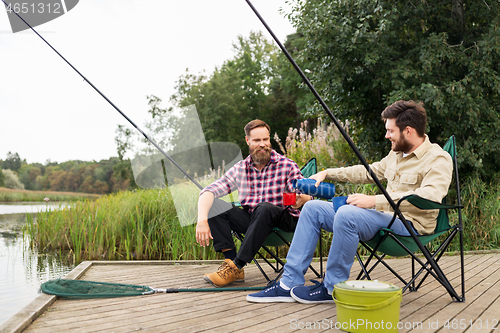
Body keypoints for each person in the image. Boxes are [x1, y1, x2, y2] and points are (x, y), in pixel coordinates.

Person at [247, 100, 453, 303]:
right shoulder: (397, 154)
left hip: (410, 227)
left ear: (408, 131)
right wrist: (327, 173)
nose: (386, 135)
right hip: (385, 219)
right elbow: (367, 172)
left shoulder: (437, 158)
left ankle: (332, 288)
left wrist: (373, 201)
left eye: (390, 131)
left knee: (347, 213)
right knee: (312, 208)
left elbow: (429, 196)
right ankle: (288, 284)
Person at [197, 119, 312, 287]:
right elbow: (208, 191)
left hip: (284, 221)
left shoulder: (287, 165)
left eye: (266, 139)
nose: (263, 144)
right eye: (257, 140)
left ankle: (237, 265)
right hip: (254, 221)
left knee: (264, 207)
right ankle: (231, 266)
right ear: (247, 141)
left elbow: (308, 195)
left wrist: (303, 199)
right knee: (214, 205)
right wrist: (202, 220)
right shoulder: (240, 168)